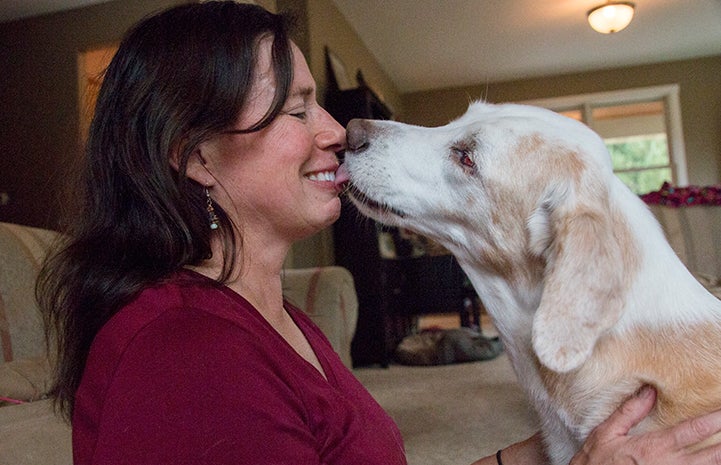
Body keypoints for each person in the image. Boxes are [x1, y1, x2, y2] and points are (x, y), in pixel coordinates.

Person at [36, 2, 721, 464]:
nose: (336, 131)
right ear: (194, 154)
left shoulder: (279, 321)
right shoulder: (182, 360)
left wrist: (542, 452)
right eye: (296, 110)